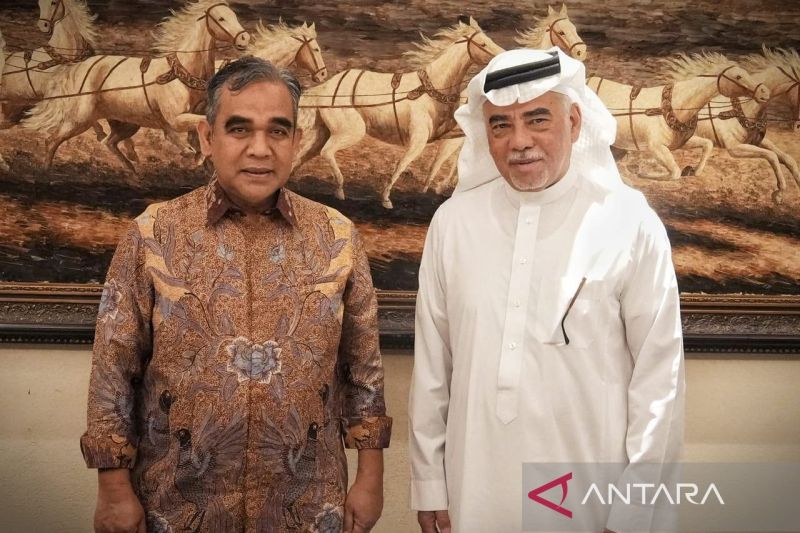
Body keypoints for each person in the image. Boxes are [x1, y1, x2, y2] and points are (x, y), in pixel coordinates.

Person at [81, 56, 392, 533]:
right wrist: (113, 489)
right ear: (208, 137)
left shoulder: (337, 236)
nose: (259, 149)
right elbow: (114, 369)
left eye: (278, 131)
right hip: (177, 506)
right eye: (239, 129)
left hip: (307, 507)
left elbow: (362, 368)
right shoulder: (153, 234)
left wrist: (371, 477)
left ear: (297, 140)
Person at [409, 48, 685, 532]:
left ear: (574, 122)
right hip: (474, 489)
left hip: (594, 500)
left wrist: (637, 508)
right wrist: (429, 482)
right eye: (500, 125)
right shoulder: (453, 224)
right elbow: (433, 367)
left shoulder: (629, 222)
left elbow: (659, 379)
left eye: (537, 119)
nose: (519, 142)